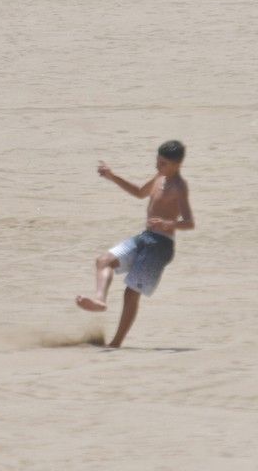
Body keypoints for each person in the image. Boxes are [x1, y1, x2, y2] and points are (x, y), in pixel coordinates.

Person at [76, 142, 195, 348]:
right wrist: (112, 177)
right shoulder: (159, 178)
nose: (158, 166)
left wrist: (167, 223)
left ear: (177, 164)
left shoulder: (179, 186)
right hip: (145, 237)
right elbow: (140, 192)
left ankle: (116, 343)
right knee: (104, 260)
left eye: (163, 163)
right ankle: (99, 300)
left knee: (131, 293)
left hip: (161, 246)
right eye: (157, 160)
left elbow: (189, 222)